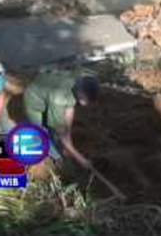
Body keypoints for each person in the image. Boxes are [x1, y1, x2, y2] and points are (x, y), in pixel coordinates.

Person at [23, 71, 125, 199]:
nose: (90, 103)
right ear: (81, 95)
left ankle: (63, 153)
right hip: (34, 100)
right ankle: (56, 158)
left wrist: (68, 141)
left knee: (61, 133)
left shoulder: (77, 85)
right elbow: (62, 135)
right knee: (41, 132)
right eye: (88, 99)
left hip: (47, 90)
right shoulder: (59, 101)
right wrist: (81, 159)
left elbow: (69, 117)